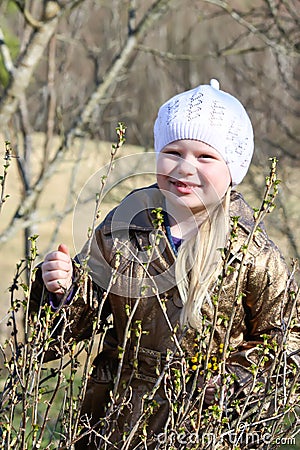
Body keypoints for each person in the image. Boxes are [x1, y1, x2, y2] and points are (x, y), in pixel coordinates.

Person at [30, 79, 299, 449]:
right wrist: (60, 290)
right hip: (115, 417)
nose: (185, 167)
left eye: (205, 157)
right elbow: (63, 331)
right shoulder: (124, 227)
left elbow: (287, 340)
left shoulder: (251, 252)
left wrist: (226, 385)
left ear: (233, 169)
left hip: (206, 427)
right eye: (173, 151)